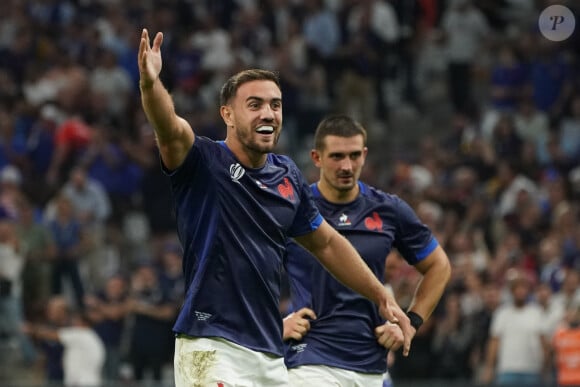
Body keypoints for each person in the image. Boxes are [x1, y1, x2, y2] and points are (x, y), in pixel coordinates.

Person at [137, 29, 412, 387]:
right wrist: (150, 84)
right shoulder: (204, 161)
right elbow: (169, 128)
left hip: (270, 356)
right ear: (228, 115)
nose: (268, 113)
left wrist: (380, 296)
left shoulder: (287, 175)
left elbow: (326, 243)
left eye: (275, 104)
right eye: (255, 105)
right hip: (213, 347)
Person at [282, 114, 451, 386]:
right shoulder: (293, 210)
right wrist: (273, 326)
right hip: (309, 360)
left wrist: (410, 322)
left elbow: (439, 266)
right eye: (337, 156)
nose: (347, 166)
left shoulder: (388, 209)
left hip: (370, 363)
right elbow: (247, 270)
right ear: (317, 157)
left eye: (354, 155)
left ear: (364, 155)